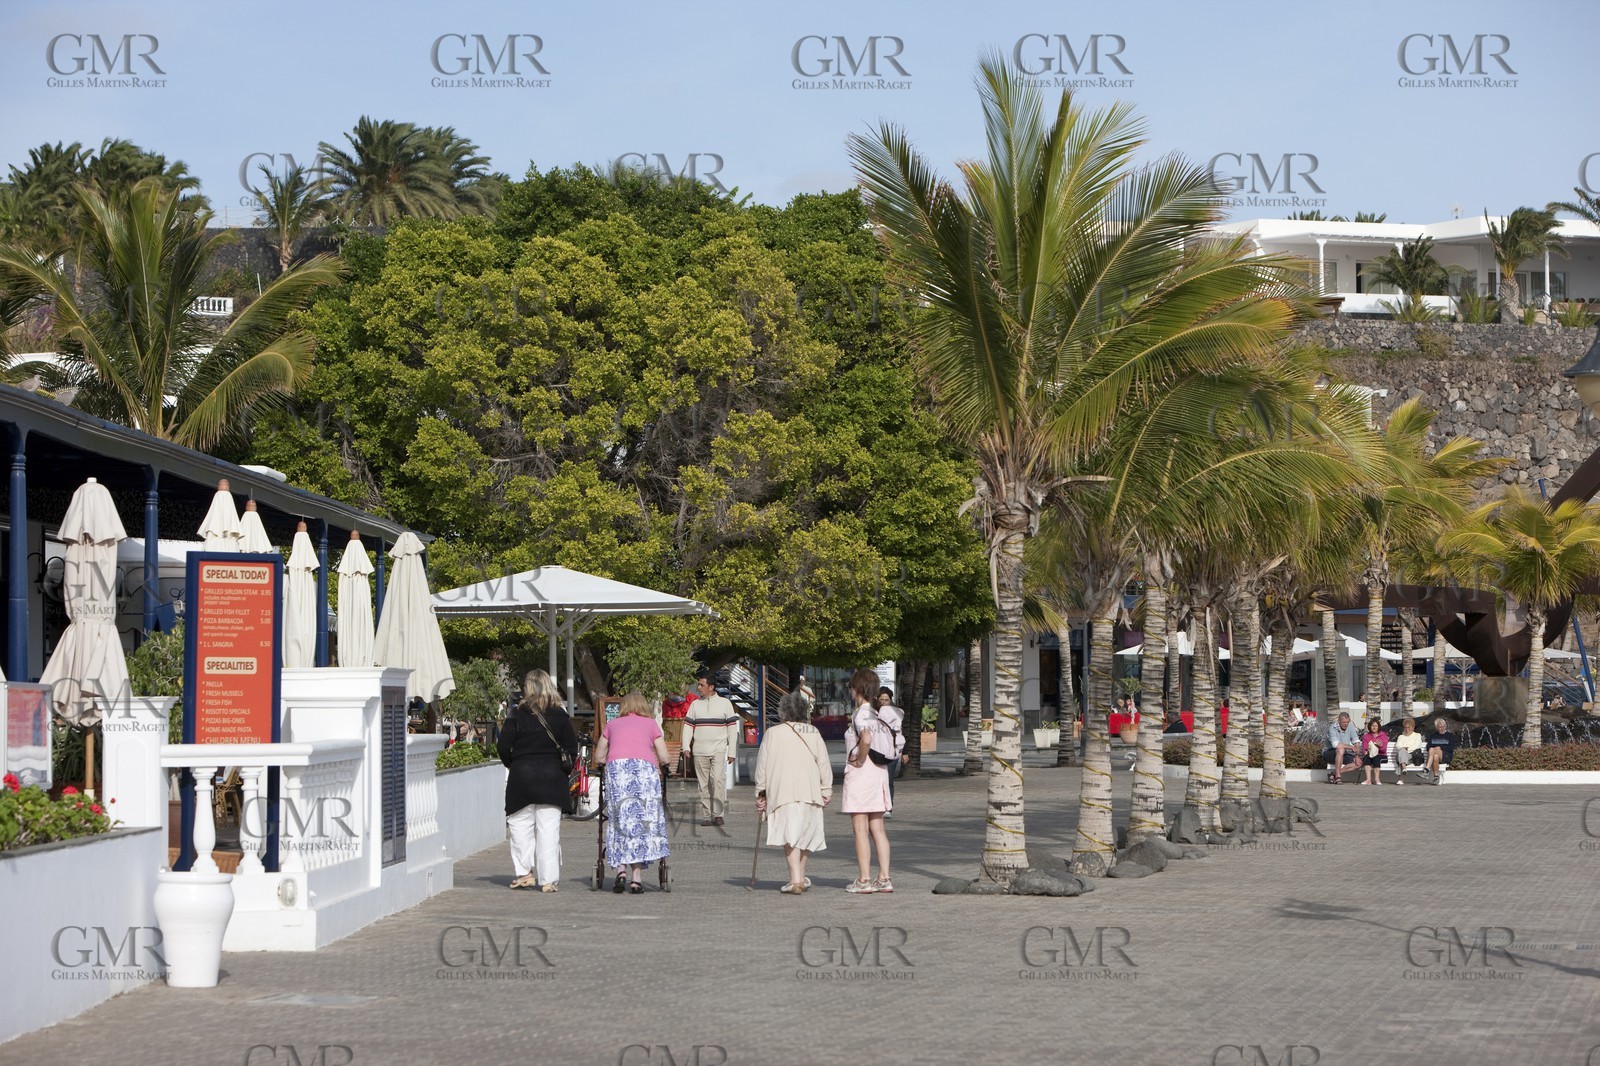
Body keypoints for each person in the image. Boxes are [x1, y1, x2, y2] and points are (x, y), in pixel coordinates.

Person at [498, 669, 578, 892]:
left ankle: (524, 873)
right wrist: (563, 768)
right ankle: (548, 880)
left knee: (520, 826)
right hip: (552, 777)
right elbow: (572, 749)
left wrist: (513, 764)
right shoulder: (560, 715)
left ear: (528, 687)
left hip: (522, 776)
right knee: (548, 830)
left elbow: (503, 746)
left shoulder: (516, 714)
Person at [754, 691, 833, 894]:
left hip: (782, 792)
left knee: (790, 835)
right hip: (810, 789)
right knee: (805, 834)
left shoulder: (773, 733)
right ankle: (800, 875)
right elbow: (824, 763)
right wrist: (826, 789)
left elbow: (761, 767)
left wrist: (760, 794)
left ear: (782, 712)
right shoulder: (813, 732)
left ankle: (796, 879)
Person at [593, 691, 672, 893]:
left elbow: (599, 756)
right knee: (641, 823)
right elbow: (663, 756)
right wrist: (664, 766)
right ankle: (636, 878)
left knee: (620, 821)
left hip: (617, 772)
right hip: (643, 772)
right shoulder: (651, 724)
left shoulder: (612, 725)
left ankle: (621, 871)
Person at [842, 667, 892, 894]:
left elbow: (866, 737)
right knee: (878, 828)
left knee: (860, 828)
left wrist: (860, 759)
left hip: (863, 774)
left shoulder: (860, 713)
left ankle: (864, 879)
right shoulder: (876, 712)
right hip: (879, 773)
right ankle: (884, 878)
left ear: (857, 689)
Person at [682, 670, 739, 827]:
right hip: (699, 750)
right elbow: (687, 726)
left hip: (718, 749)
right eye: (698, 685)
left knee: (717, 781)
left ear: (711, 687)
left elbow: (732, 730)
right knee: (703, 784)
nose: (698, 688)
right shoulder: (695, 705)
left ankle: (718, 814)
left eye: (701, 685)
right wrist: (685, 746)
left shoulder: (725, 704)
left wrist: (732, 752)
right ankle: (707, 816)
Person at [876, 686, 907, 811]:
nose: (884, 702)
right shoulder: (874, 713)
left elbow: (901, 733)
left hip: (892, 750)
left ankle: (888, 807)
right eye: (881, 700)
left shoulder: (897, 713)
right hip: (877, 750)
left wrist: (905, 752)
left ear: (891, 700)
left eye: (886, 700)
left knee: (888, 779)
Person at [1326, 712, 1362, 783]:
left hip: (1343, 753)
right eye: (1344, 722)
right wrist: (1351, 747)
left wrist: (1357, 755)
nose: (1346, 724)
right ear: (1339, 721)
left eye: (1347, 722)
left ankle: (1334, 774)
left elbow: (1356, 741)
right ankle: (1338, 777)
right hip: (1329, 753)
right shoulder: (1332, 728)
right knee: (1340, 749)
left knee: (1358, 764)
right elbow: (1336, 744)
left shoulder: (1350, 726)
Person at [1424, 716, 1456, 784]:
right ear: (1436, 727)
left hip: (1446, 756)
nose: (1442, 728)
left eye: (1443, 726)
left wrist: (1440, 748)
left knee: (1432, 750)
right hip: (1435, 756)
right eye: (1440, 727)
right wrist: (1435, 749)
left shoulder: (1450, 735)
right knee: (1435, 756)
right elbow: (1428, 747)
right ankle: (1436, 777)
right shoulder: (1433, 735)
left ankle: (1426, 769)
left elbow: (1451, 748)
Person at [1392, 717, 1425, 784]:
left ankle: (1401, 779)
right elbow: (1398, 745)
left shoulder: (1417, 735)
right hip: (1402, 755)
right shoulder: (1401, 736)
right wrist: (1404, 749)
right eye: (1405, 727)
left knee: (1402, 754)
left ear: (1413, 727)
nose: (1407, 729)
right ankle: (1404, 768)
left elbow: (1417, 746)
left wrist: (1406, 749)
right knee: (1402, 752)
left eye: (1409, 727)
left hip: (1412, 756)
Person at [1360, 717, 1389, 785]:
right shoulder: (1366, 736)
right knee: (1367, 758)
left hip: (1381, 755)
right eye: (1373, 725)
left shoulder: (1383, 735)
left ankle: (1377, 779)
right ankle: (1368, 780)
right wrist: (1366, 751)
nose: (1374, 727)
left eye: (1376, 726)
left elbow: (1384, 750)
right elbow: (1364, 748)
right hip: (1370, 754)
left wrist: (1380, 746)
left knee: (1376, 758)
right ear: (1370, 726)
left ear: (1378, 726)